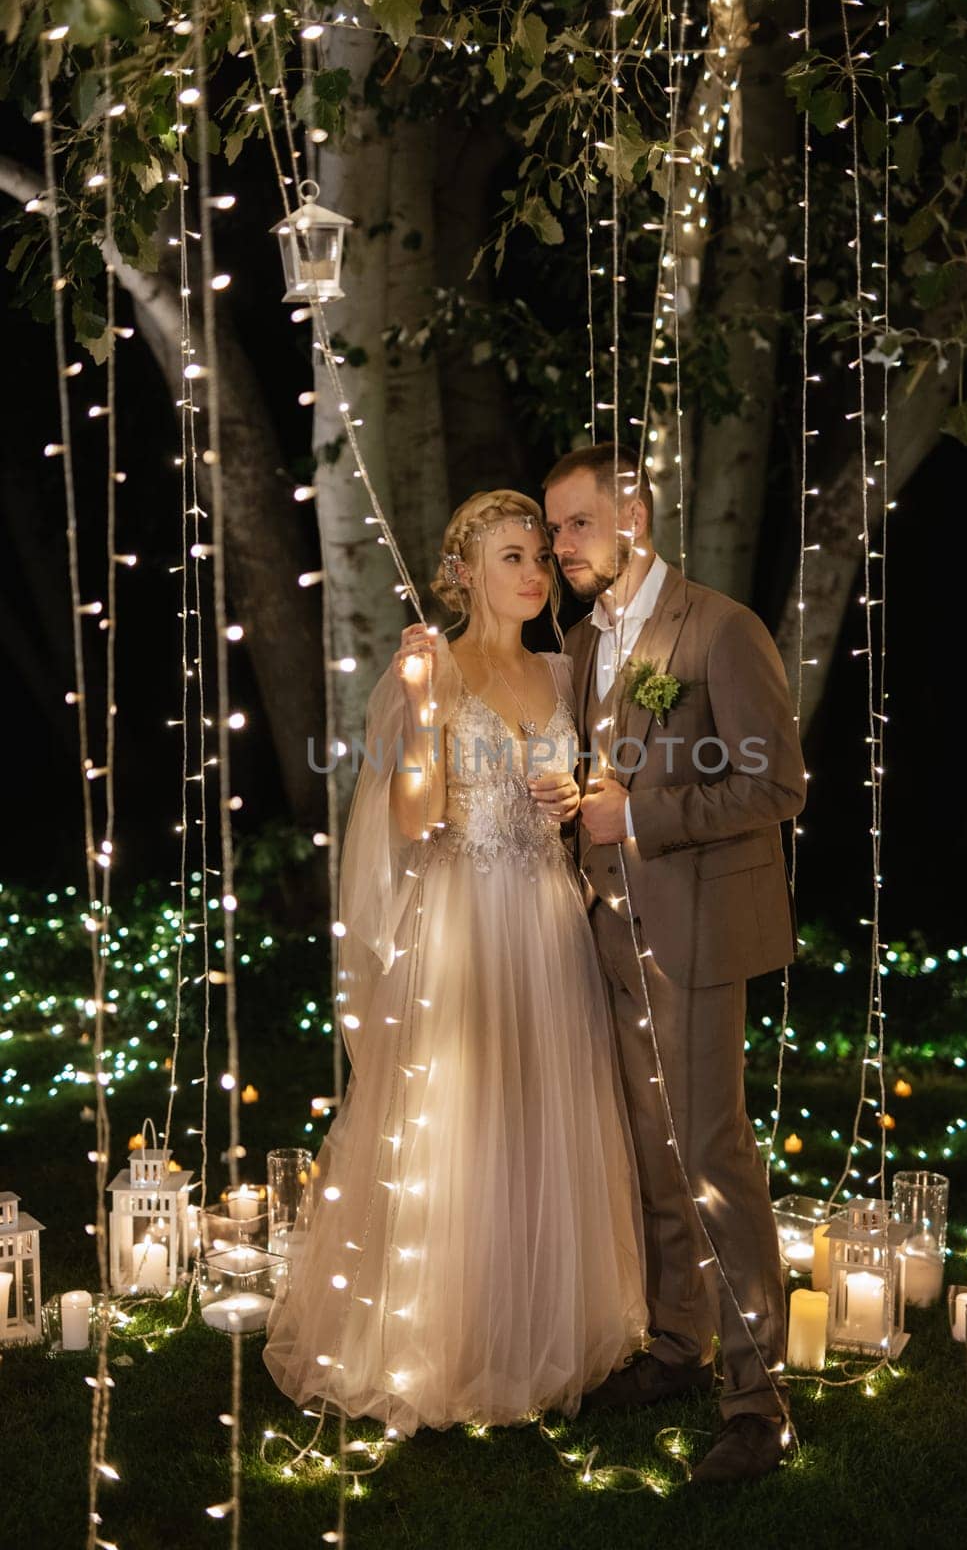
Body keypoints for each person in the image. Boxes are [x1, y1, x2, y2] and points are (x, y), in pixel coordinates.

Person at [263, 488, 647, 1435]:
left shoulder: (566, 674)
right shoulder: (425, 671)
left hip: (549, 922)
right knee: (458, 1123)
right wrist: (429, 709)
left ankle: (541, 1327)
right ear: (465, 572)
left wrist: (585, 789)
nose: (531, 573)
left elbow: (598, 786)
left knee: (543, 1118)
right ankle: (444, 1338)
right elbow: (412, 817)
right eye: (511, 557)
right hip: (463, 922)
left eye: (537, 557)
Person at [542, 442, 807, 1485]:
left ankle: (756, 1399)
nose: (562, 543)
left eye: (577, 523)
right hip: (609, 926)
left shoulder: (721, 628)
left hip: (696, 929)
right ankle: (673, 1343)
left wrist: (637, 815)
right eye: (554, 527)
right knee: (648, 1148)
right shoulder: (581, 639)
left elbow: (775, 784)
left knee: (709, 1153)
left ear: (634, 514)